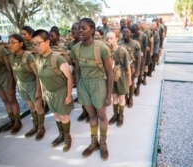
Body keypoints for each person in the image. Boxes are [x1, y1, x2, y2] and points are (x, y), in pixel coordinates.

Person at [70, 17, 113, 160]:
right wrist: (79, 89)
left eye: (84, 28)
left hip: (99, 84)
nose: (79, 31)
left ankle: (103, 143)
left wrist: (108, 96)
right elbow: (77, 70)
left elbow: (110, 72)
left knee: (101, 116)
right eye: (78, 28)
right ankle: (94, 142)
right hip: (84, 85)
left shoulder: (101, 48)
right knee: (92, 116)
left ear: (92, 30)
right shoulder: (75, 49)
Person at [32, 29, 74, 152]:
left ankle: (67, 137)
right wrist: (43, 92)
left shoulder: (58, 59)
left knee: (63, 116)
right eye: (34, 44)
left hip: (61, 92)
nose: (36, 46)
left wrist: (69, 95)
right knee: (55, 115)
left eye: (39, 43)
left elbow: (69, 78)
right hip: (49, 93)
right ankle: (61, 135)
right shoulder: (38, 58)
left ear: (48, 42)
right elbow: (40, 76)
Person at [7, 34, 46, 140]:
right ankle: (35, 126)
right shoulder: (11, 57)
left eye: (13, 42)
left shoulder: (28, 56)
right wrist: (18, 86)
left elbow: (38, 74)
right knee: (31, 107)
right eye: (9, 42)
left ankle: (41, 128)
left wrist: (39, 90)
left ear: (21, 44)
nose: (10, 45)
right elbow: (15, 73)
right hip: (22, 86)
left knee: (38, 107)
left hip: (33, 85)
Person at [106, 31, 131, 127]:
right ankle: (115, 114)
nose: (109, 40)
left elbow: (128, 67)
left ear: (117, 38)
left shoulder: (122, 51)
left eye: (111, 38)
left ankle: (121, 115)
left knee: (121, 98)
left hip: (121, 78)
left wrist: (129, 80)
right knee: (114, 97)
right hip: (111, 78)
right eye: (107, 38)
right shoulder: (106, 51)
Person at [119, 27, 142, 108]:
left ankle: (131, 98)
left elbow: (139, 58)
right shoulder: (120, 43)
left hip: (132, 67)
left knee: (131, 83)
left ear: (131, 34)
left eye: (127, 32)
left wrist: (138, 71)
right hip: (122, 68)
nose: (125, 34)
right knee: (124, 84)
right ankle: (125, 97)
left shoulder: (135, 44)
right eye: (124, 32)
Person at [131, 23, 148, 96]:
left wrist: (144, 59)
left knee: (140, 74)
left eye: (134, 31)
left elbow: (145, 48)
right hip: (132, 57)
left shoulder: (143, 36)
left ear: (138, 29)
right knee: (132, 74)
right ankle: (132, 87)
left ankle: (138, 87)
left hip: (140, 57)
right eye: (132, 31)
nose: (133, 33)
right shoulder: (131, 35)